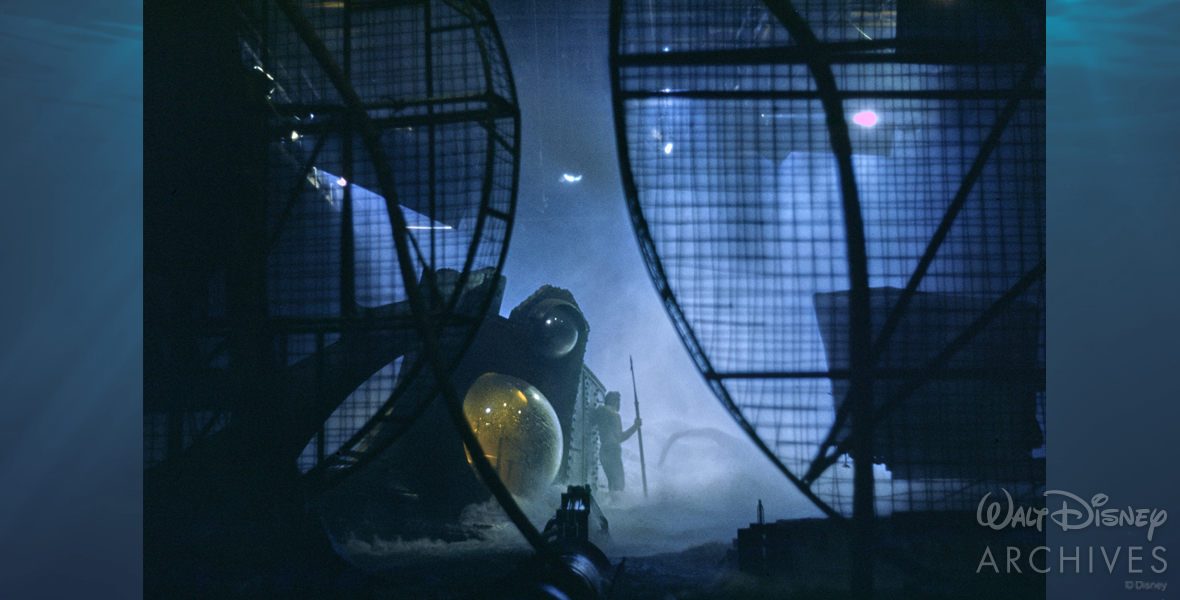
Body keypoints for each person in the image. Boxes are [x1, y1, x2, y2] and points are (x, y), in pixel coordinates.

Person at [593, 391, 641, 492]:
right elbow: (620, 437)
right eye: (619, 402)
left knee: (612, 484)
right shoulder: (615, 415)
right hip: (613, 451)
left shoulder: (600, 411)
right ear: (616, 402)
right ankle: (615, 506)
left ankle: (610, 504)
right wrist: (635, 426)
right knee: (619, 485)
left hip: (603, 451)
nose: (620, 405)